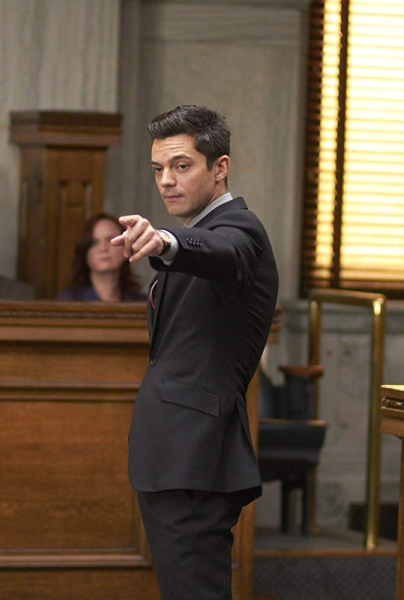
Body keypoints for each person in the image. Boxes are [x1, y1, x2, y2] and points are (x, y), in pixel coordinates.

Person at [111, 105, 278, 600]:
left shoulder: (240, 230)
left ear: (220, 167)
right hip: (176, 458)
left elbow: (221, 252)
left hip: (195, 460)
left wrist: (165, 241)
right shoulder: (205, 231)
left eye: (181, 166)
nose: (166, 180)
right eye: (158, 168)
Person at [55, 213, 146, 301]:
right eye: (94, 242)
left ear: (126, 247)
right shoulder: (68, 300)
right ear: (85, 251)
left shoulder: (140, 301)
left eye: (110, 240)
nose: (103, 248)